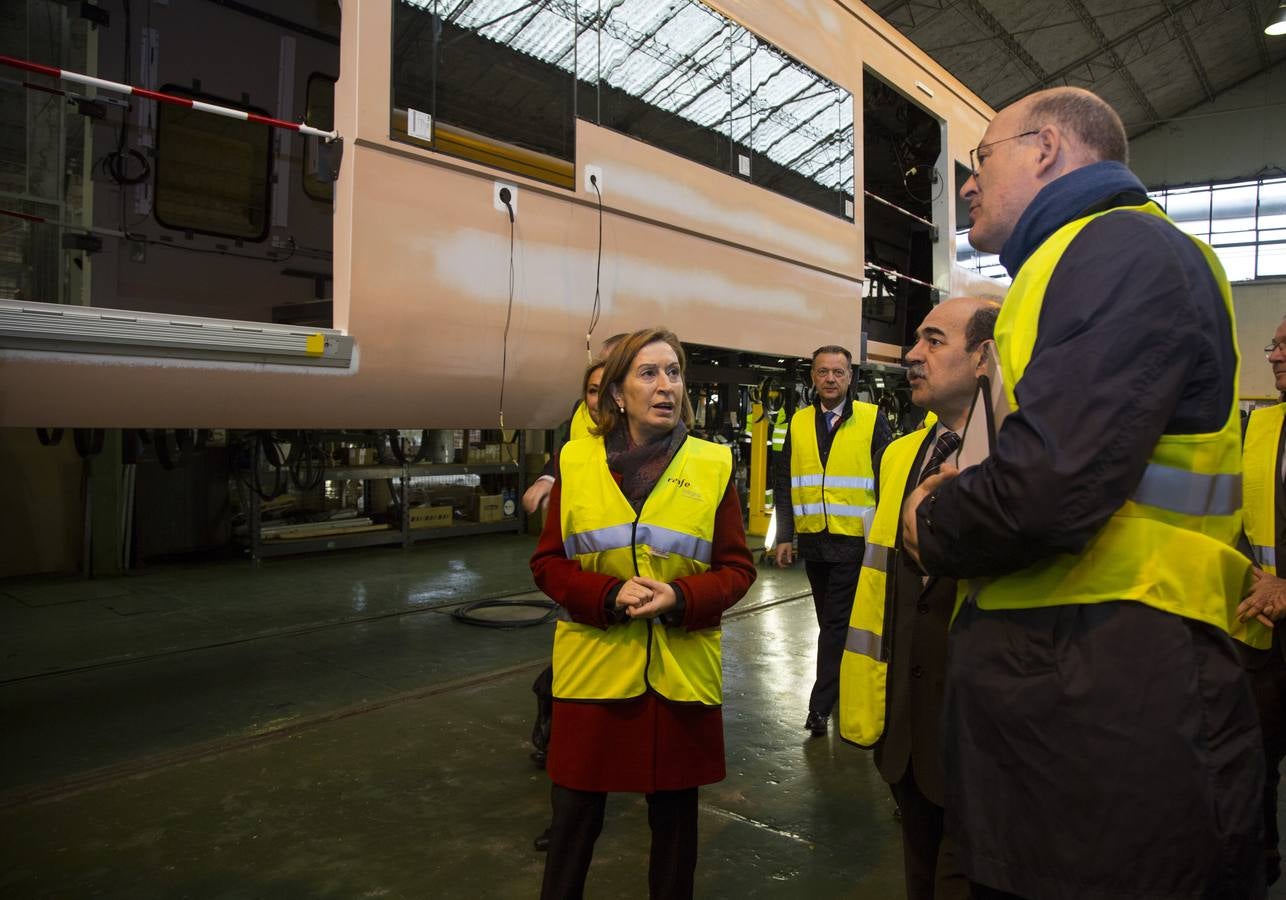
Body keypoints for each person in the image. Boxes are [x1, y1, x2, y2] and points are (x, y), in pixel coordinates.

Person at [901, 86, 1267, 898]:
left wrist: (935, 517)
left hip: (1112, 700)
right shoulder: (1068, 268)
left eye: (981, 159)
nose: (968, 184)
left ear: (1046, 149)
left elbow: (1049, 486)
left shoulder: (1120, 251)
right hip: (1074, 696)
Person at [530, 327, 756, 899]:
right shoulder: (575, 461)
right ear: (618, 392)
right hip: (593, 674)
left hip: (678, 680)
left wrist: (680, 597)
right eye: (648, 373)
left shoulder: (713, 464)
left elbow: (736, 569)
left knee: (675, 834)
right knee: (573, 825)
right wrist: (606, 595)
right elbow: (549, 563)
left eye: (674, 373)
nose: (665, 386)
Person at [838, 296, 998, 900]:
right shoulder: (900, 455)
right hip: (906, 727)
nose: (911, 355)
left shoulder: (1018, 460)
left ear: (984, 358)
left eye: (934, 341)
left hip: (981, 731)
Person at [773, 345, 891, 736]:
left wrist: (883, 537)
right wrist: (785, 535)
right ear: (813, 376)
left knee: (836, 624)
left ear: (850, 377)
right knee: (830, 622)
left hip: (854, 541)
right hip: (814, 541)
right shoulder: (799, 422)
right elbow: (785, 480)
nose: (830, 379)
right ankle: (842, 686)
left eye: (838, 372)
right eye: (823, 372)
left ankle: (819, 707)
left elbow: (888, 479)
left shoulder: (872, 420)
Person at [530, 359, 607, 852]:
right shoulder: (576, 427)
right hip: (584, 596)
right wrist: (546, 477)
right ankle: (566, 825)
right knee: (573, 707)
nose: (599, 399)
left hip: (641, 603)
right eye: (592, 390)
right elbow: (563, 459)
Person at [1237, 315, 1286, 887]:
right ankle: (1263, 864)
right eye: (1274, 345)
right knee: (1255, 764)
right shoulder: (1261, 425)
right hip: (1263, 635)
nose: (1273, 356)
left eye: (1284, 346)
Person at [523, 334, 626, 515]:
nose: (602, 373)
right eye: (600, 364)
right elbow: (566, 450)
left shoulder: (648, 425)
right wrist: (548, 479)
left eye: (612, 369)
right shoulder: (581, 409)